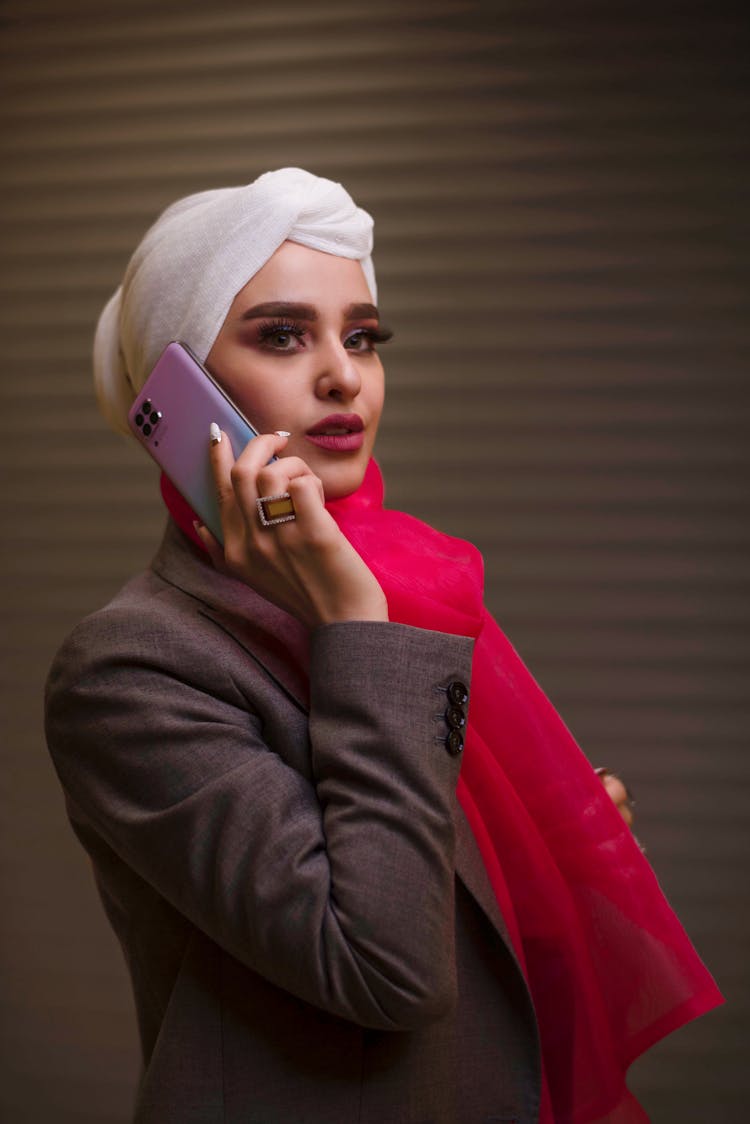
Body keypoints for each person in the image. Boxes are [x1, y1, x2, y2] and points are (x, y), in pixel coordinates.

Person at [45, 168, 722, 1124]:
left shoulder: (417, 579)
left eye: (362, 337)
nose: (343, 376)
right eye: (283, 335)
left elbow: (442, 896)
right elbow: (385, 968)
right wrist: (354, 624)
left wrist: (527, 846)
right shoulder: (131, 669)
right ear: (179, 388)